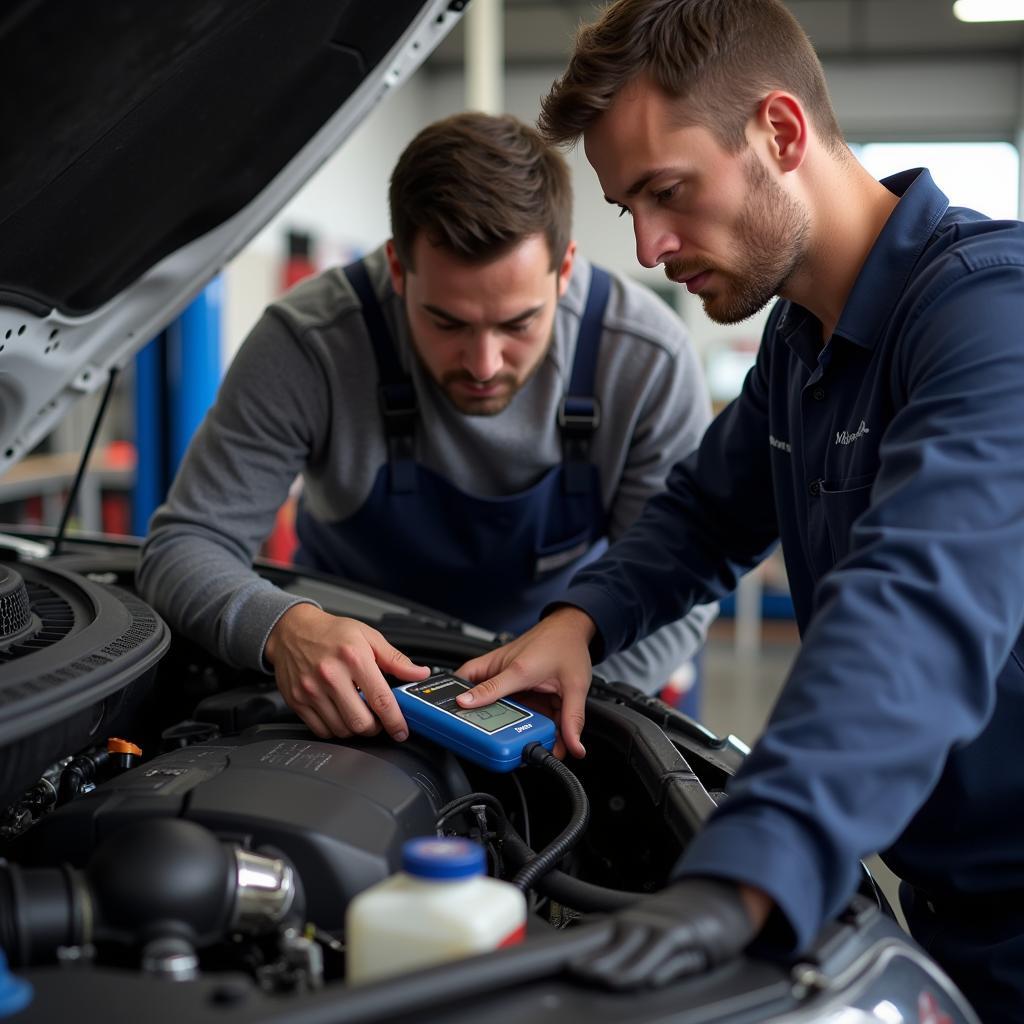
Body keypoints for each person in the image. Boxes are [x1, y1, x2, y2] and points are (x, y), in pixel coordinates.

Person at [449, 2, 1024, 1020]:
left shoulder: (990, 318)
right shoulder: (802, 343)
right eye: (627, 206)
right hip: (949, 907)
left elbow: (917, 607)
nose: (648, 245)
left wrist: (746, 866)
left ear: (780, 132)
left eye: (666, 192)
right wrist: (576, 626)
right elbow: (703, 519)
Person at [138, 111, 715, 744]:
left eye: (518, 324)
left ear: (565, 269)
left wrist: (563, 708)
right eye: (447, 322)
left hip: (550, 695)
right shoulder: (310, 344)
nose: (484, 364)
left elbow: (671, 585)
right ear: (396, 268)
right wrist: (283, 628)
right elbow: (183, 545)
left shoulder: (642, 359)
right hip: (349, 701)